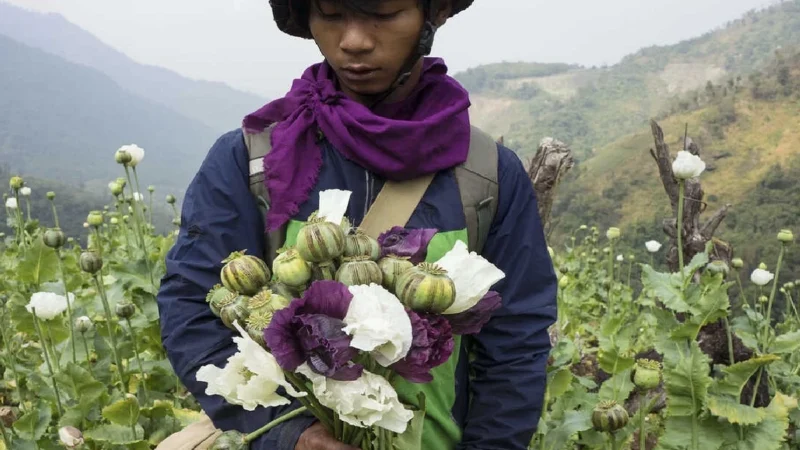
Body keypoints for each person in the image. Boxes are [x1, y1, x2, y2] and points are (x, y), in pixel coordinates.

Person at [155, 1, 557, 449]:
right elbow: (192, 307)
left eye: (383, 14)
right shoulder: (251, 161)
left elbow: (516, 343)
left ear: (434, 13)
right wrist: (288, 433)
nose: (353, 41)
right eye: (330, 15)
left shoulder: (486, 176)